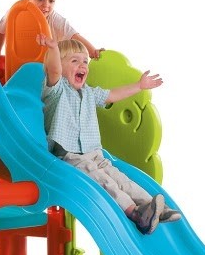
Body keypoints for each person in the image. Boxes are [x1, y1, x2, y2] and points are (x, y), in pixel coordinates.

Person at [38, 34, 181, 234]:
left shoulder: (88, 92)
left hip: (95, 153)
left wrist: (139, 86)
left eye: (85, 61)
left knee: (120, 179)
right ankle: (135, 214)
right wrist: (53, 49)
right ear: (61, 67)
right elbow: (53, 70)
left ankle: (153, 207)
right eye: (74, 61)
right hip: (70, 157)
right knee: (104, 181)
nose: (82, 65)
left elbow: (112, 95)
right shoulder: (56, 90)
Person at [0, 0, 104, 61]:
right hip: (18, 67)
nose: (46, 5)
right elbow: (1, 30)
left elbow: (74, 36)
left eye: (51, 1)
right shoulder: (15, 13)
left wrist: (93, 51)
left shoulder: (54, 19)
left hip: (47, 70)